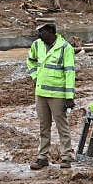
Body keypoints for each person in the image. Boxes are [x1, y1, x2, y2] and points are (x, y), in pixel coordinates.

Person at [27, 21, 76, 170]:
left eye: (41, 31)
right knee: (44, 127)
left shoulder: (65, 48)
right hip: (41, 93)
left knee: (62, 126)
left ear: (50, 31)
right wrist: (35, 77)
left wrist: (69, 96)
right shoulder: (37, 45)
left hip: (58, 95)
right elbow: (31, 60)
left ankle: (66, 157)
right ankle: (42, 157)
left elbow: (69, 72)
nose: (39, 35)